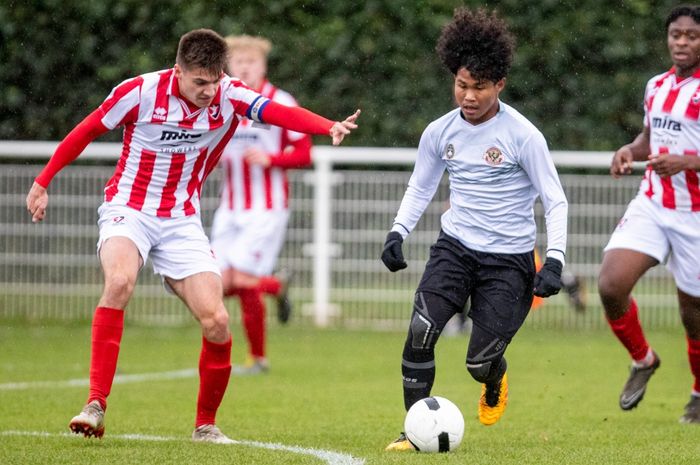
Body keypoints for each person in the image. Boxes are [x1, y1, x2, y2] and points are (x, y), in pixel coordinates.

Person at [25, 28, 360, 443]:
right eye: (199, 82)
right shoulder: (141, 91)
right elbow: (88, 129)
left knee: (217, 320)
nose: (208, 91)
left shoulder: (229, 94)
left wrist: (327, 125)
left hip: (182, 221)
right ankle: (95, 404)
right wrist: (43, 181)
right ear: (178, 70)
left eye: (215, 80)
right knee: (119, 281)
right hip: (128, 209)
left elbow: (276, 112)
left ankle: (205, 425)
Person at [380, 8, 568, 451]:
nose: (468, 95)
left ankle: (495, 377)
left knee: (479, 362)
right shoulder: (438, 132)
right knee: (421, 331)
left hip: (509, 262)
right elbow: (420, 185)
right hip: (455, 248)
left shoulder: (523, 135)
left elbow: (554, 198)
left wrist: (555, 259)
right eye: (462, 84)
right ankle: (412, 431)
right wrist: (397, 232)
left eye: (479, 87)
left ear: (499, 84)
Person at [598, 5, 700, 424]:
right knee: (610, 284)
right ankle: (643, 359)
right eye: (676, 34)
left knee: (693, 319)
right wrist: (629, 151)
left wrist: (687, 162)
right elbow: (648, 138)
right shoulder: (656, 85)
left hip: (695, 215)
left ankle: (698, 392)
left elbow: (682, 153)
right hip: (654, 203)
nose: (681, 42)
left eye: (691, 36)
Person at [210, 35, 311, 375]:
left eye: (251, 61)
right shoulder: (220, 101)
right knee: (216, 283)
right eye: (238, 62)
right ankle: (276, 287)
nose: (244, 67)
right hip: (230, 206)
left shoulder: (279, 101)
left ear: (263, 65)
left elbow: (304, 153)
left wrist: (271, 159)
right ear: (228, 66)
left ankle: (258, 358)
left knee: (242, 275)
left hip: (266, 208)